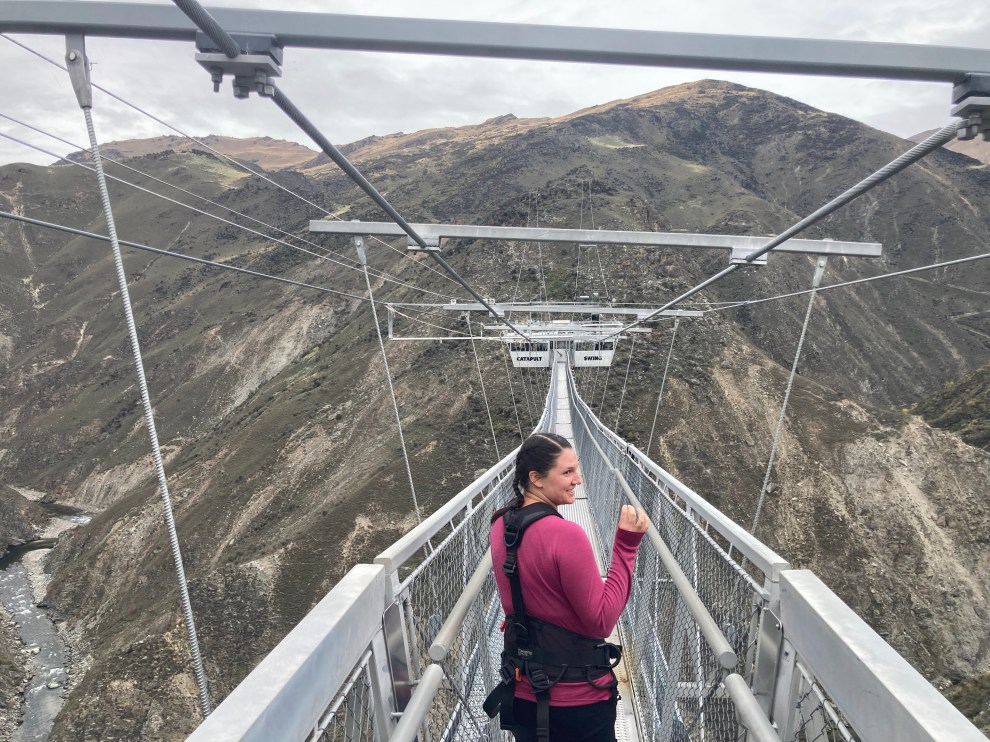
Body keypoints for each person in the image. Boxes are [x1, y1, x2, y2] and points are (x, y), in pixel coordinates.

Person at [484, 431, 647, 742]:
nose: (578, 480)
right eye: (567, 472)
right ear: (536, 478)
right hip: (578, 704)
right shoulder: (567, 535)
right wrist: (626, 546)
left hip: (521, 694)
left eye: (577, 469)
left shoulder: (500, 524)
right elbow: (601, 620)